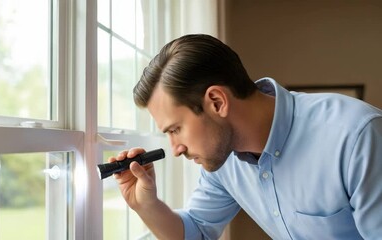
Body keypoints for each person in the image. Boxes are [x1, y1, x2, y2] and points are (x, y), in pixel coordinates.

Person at [108, 34, 382, 239]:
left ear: (216, 101)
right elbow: (198, 231)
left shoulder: (356, 136)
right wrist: (147, 206)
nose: (176, 148)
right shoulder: (223, 159)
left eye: (175, 129)